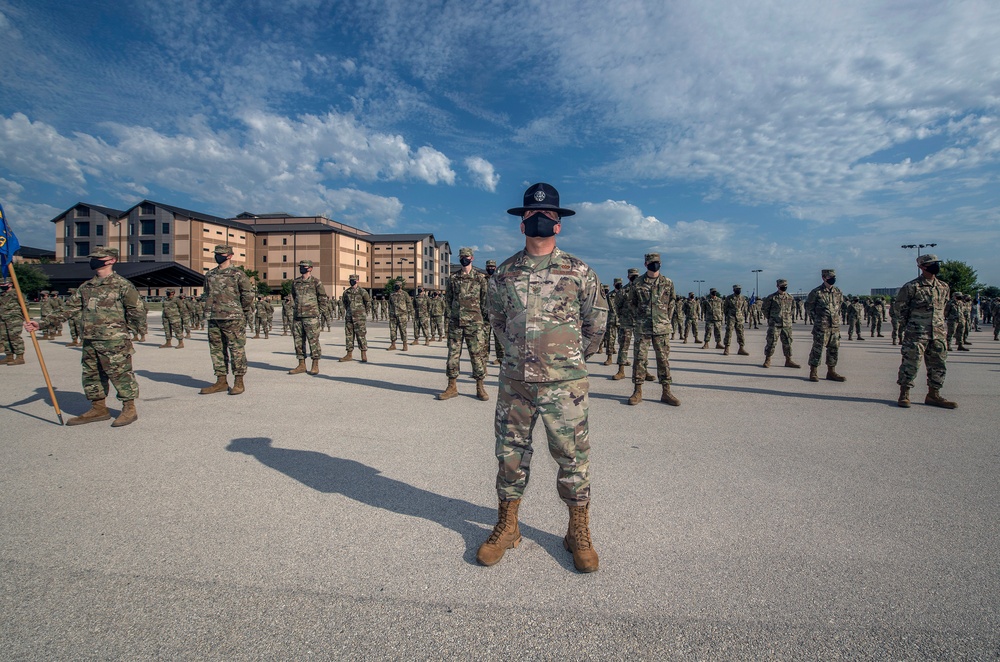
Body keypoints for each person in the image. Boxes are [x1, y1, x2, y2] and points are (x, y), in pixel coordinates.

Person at [479, 182, 607, 573]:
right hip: (516, 383)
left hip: (564, 386)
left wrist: (568, 359)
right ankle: (508, 525)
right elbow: (496, 319)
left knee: (572, 458)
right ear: (522, 225)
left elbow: (596, 323)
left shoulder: (580, 272)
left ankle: (577, 531)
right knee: (510, 456)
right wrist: (517, 354)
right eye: (532, 216)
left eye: (548, 216)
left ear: (558, 225)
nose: (539, 221)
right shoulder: (503, 274)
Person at [26, 247, 144, 426]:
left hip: (114, 341)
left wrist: (126, 332)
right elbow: (68, 309)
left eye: (99, 258)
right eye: (93, 258)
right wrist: (41, 324)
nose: (95, 261)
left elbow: (137, 310)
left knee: (120, 374)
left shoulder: (122, 285)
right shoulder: (87, 287)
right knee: (91, 375)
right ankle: (98, 408)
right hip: (90, 339)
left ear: (112, 260)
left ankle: (129, 409)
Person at [896, 254, 957, 409]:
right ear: (922, 267)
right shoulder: (912, 287)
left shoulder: (944, 286)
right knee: (911, 364)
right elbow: (899, 309)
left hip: (937, 333)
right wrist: (910, 326)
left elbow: (945, 308)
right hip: (916, 333)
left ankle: (933, 394)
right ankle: (904, 394)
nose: (936, 266)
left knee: (938, 365)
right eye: (931, 264)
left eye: (936, 263)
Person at [199, 245, 255, 395]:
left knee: (236, 349)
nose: (217, 256)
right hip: (214, 316)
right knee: (216, 350)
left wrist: (240, 311)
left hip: (233, 317)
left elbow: (248, 295)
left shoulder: (237, 274)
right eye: (216, 253)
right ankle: (221, 381)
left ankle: (239, 381)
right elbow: (206, 294)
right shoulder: (210, 275)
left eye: (221, 254)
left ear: (229, 255)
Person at [626, 252, 681, 406]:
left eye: (656, 262)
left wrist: (665, 319)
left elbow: (672, 303)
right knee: (640, 359)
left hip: (661, 327)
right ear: (645, 264)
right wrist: (639, 318)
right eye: (651, 262)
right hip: (642, 328)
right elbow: (631, 303)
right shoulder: (637, 283)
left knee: (663, 360)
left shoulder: (667, 283)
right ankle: (637, 391)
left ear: (660, 263)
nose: (654, 264)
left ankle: (666, 391)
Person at [438, 247, 489, 401]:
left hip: (474, 323)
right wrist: (448, 319)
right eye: (461, 256)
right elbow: (448, 300)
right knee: (452, 355)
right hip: (456, 322)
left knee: (476, 355)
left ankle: (480, 387)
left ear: (472, 258)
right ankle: (451, 386)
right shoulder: (453, 279)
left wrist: (484, 323)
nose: (463, 258)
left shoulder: (480, 278)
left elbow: (485, 301)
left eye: (466, 256)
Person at [804, 269, 846, 382]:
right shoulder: (816, 292)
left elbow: (840, 305)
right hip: (821, 327)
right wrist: (817, 319)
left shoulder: (838, 292)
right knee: (817, 349)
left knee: (833, 349)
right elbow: (809, 307)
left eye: (834, 276)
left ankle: (831, 371)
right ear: (824, 278)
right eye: (830, 277)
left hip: (835, 326)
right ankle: (813, 371)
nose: (833, 279)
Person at [288, 260, 328, 375]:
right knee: (298, 341)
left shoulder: (316, 282)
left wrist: (318, 313)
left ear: (310, 268)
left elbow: (323, 299)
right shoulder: (295, 282)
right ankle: (301, 364)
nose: (301, 268)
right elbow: (294, 296)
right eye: (300, 267)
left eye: (304, 267)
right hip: (298, 316)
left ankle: (315, 364)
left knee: (313, 341)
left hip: (311, 317)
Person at [761, 278, 799, 368]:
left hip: (786, 324)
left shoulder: (790, 297)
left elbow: (793, 308)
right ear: (777, 286)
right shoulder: (771, 297)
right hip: (775, 324)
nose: (784, 288)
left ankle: (788, 360)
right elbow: (764, 309)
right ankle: (768, 359)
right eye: (782, 286)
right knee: (771, 342)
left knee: (788, 342)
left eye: (785, 286)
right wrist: (771, 318)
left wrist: (788, 317)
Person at [340, 274, 371, 362]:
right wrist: (349, 311)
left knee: (361, 335)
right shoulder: (346, 292)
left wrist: (363, 313)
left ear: (357, 280)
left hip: (360, 317)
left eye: (353, 280)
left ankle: (363, 353)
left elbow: (367, 303)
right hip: (349, 316)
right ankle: (349, 354)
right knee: (349, 335)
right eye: (350, 280)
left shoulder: (362, 291)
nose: (351, 281)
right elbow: (345, 303)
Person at [0, 277, 26, 365]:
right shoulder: (2, 294)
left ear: (10, 284)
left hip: (14, 319)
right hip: (3, 319)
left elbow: (24, 305)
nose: (2, 285)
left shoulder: (16, 293)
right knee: (5, 338)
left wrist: (23, 316)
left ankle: (20, 357)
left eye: (4, 284)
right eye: (0, 284)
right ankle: (9, 356)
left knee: (14, 337)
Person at [722, 284, 750, 356]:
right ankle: (726, 348)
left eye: (739, 289)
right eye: (737, 289)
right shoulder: (729, 298)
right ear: (733, 290)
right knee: (729, 333)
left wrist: (742, 316)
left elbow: (744, 308)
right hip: (731, 317)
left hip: (739, 318)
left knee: (741, 333)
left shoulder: (743, 298)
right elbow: (725, 308)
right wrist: (728, 315)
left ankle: (741, 348)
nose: (738, 290)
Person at [387, 281, 410, 350]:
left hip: (402, 315)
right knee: (392, 330)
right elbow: (390, 304)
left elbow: (409, 303)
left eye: (399, 285)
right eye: (396, 285)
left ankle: (405, 345)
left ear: (401, 286)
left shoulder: (405, 294)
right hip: (393, 315)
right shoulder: (391, 294)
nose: (397, 286)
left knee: (403, 330)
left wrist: (408, 313)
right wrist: (390, 313)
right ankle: (393, 345)